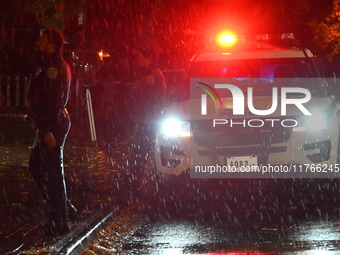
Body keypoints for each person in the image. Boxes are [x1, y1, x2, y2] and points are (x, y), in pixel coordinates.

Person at [27, 29, 75, 235]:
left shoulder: (54, 68)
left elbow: (55, 101)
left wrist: (46, 129)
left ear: (52, 45)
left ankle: (60, 219)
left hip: (52, 125)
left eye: (42, 40)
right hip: (47, 124)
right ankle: (63, 207)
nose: (38, 42)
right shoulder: (46, 65)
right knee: (38, 166)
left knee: (53, 171)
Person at [126, 45, 166, 196]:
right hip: (146, 119)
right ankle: (137, 183)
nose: (136, 60)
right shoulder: (147, 74)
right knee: (142, 152)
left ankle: (135, 185)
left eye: (139, 57)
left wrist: (141, 114)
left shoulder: (152, 75)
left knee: (140, 152)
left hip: (147, 121)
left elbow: (150, 99)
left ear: (147, 58)